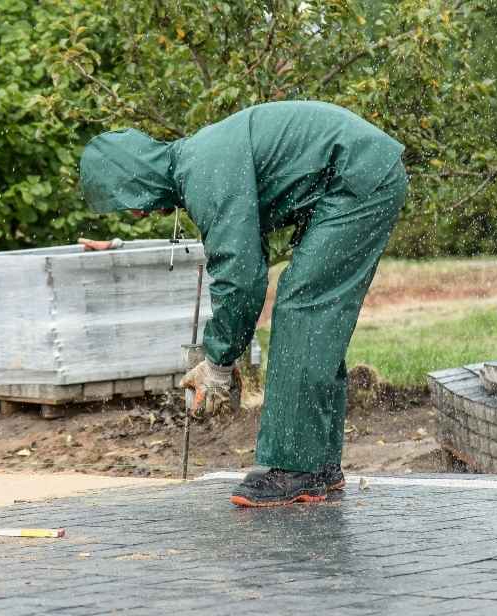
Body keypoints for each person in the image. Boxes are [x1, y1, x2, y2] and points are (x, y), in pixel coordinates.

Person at [79, 101, 407, 507]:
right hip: (360, 173)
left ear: (137, 177)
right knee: (312, 315)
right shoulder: (197, 162)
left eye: (128, 199)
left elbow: (240, 276)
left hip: (359, 178)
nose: (137, 211)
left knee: (303, 308)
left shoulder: (202, 172)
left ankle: (292, 468)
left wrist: (218, 361)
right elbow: (245, 254)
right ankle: (317, 464)